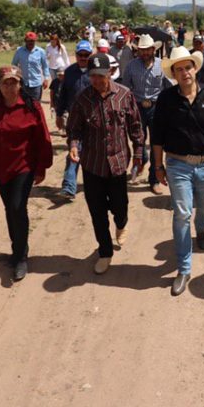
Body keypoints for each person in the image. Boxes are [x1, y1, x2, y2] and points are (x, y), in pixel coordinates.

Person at [152, 46, 204, 297]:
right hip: (178, 164)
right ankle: (184, 268)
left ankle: (202, 228)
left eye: (188, 67)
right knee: (182, 212)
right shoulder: (166, 99)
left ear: (195, 69)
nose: (185, 72)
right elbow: (157, 136)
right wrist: (158, 166)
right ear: (174, 74)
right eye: (179, 69)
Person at [0, 66, 53, 282]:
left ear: (20, 84)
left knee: (17, 206)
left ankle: (21, 255)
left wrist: (42, 167)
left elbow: (43, 137)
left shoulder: (31, 107)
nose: (10, 86)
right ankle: (17, 248)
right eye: (5, 82)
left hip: (23, 166)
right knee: (9, 208)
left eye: (14, 82)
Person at [66, 53, 145, 274]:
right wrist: (74, 144)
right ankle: (105, 252)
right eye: (93, 76)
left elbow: (136, 126)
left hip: (118, 163)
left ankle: (121, 224)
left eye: (101, 75)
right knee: (97, 212)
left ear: (110, 73)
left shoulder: (124, 95)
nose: (98, 81)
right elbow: (74, 128)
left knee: (120, 207)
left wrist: (139, 152)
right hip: (92, 165)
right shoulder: (83, 99)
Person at [122, 34, 170, 195]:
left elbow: (168, 87)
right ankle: (142, 158)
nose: (144, 53)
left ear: (153, 49)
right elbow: (126, 88)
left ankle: (153, 180)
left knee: (157, 143)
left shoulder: (162, 65)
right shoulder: (131, 66)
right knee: (138, 139)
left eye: (147, 50)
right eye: (141, 50)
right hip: (137, 107)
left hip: (157, 108)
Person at [55, 41, 94, 201]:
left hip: (94, 119)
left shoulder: (96, 71)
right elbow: (62, 95)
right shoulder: (69, 72)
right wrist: (59, 114)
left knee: (93, 152)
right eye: (80, 55)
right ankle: (69, 187)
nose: (83, 58)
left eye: (86, 55)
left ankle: (95, 184)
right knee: (74, 150)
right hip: (74, 119)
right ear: (76, 55)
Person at [11, 31, 50, 103]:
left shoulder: (40, 51)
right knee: (23, 105)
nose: (31, 43)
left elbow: (45, 66)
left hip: (36, 83)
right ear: (25, 41)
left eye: (33, 41)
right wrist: (15, 77)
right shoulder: (19, 51)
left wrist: (46, 79)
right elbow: (14, 65)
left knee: (36, 105)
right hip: (23, 83)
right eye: (29, 41)